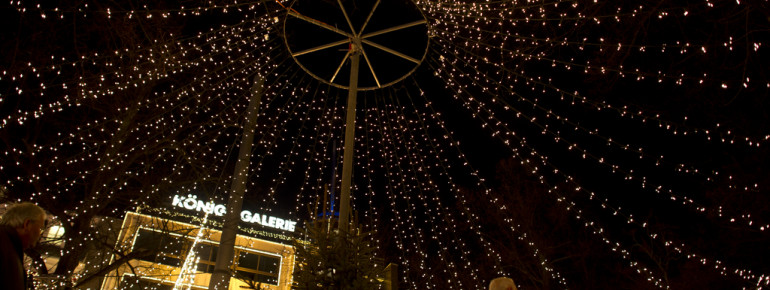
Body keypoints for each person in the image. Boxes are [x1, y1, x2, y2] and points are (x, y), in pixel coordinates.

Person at [0, 202, 47, 290]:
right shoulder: (5, 246)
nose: (40, 234)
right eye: (40, 228)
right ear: (27, 224)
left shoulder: (10, 246)